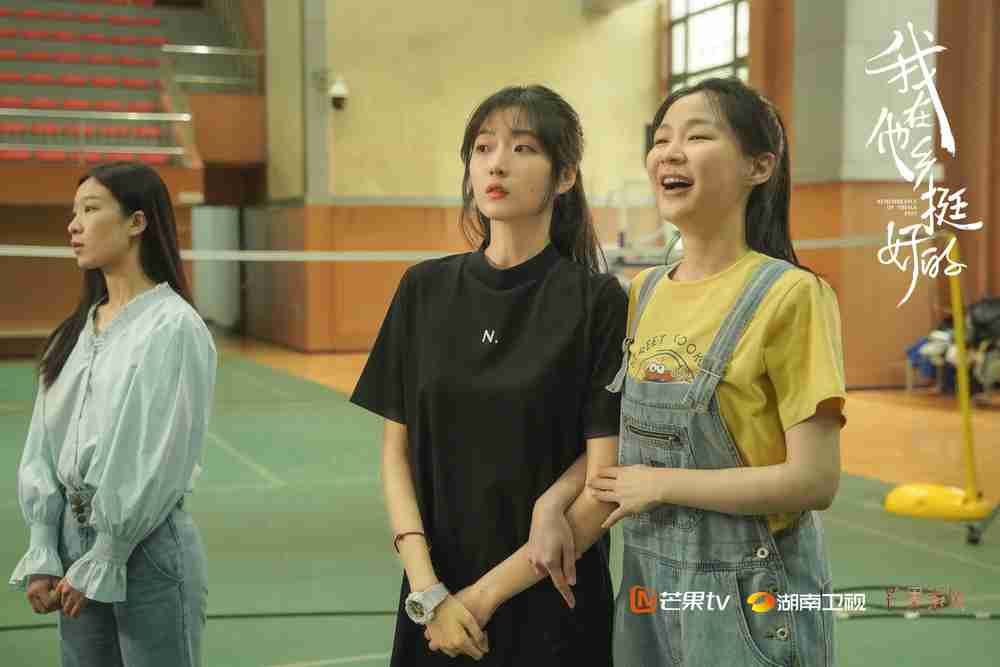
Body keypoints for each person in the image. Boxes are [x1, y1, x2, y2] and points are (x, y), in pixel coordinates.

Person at [349, 85, 627, 665]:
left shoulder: (597, 301)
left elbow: (604, 476)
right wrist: (428, 590)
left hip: (549, 595)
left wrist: (480, 599)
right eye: (483, 147)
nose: (497, 163)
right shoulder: (423, 289)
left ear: (565, 176)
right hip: (435, 602)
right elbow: (396, 454)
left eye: (523, 148)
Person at [589, 77, 845, 666]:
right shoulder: (643, 292)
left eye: (697, 137)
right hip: (647, 591)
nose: (670, 153)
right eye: (661, 140)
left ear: (759, 166)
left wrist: (661, 485)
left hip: (751, 598)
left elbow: (815, 481)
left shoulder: (791, 295)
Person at [9, 161, 217, 667]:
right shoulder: (71, 334)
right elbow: (42, 444)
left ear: (137, 222)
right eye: (73, 212)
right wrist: (44, 544)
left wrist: (108, 551)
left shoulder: (173, 328)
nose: (73, 225)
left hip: (144, 546)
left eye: (90, 209)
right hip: (70, 545)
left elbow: (159, 454)